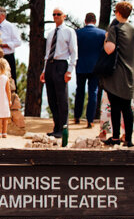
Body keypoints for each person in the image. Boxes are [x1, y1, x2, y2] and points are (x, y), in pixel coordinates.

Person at [100, 1, 134, 147]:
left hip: (116, 74)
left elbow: (109, 49)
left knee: (115, 106)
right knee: (127, 108)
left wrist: (106, 38)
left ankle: (115, 137)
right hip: (131, 74)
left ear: (117, 12)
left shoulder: (115, 29)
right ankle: (128, 139)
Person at [39, 8, 78, 138]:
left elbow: (74, 52)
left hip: (61, 65)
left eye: (58, 14)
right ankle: (56, 126)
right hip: (50, 65)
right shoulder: (50, 33)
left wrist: (69, 71)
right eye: (54, 14)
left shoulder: (69, 31)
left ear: (64, 16)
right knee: (52, 98)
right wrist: (44, 70)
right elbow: (47, 53)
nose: (56, 16)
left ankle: (63, 128)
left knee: (62, 98)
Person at [74, 12, 106, 128]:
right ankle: (90, 119)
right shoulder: (102, 34)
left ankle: (77, 116)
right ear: (95, 21)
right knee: (93, 92)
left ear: (85, 21)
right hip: (95, 67)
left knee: (80, 92)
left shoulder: (77, 33)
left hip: (81, 66)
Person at [0, 6, 22, 82]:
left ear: (2, 15)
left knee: (10, 81)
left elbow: (18, 42)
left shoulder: (10, 26)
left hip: (7, 57)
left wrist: (4, 45)